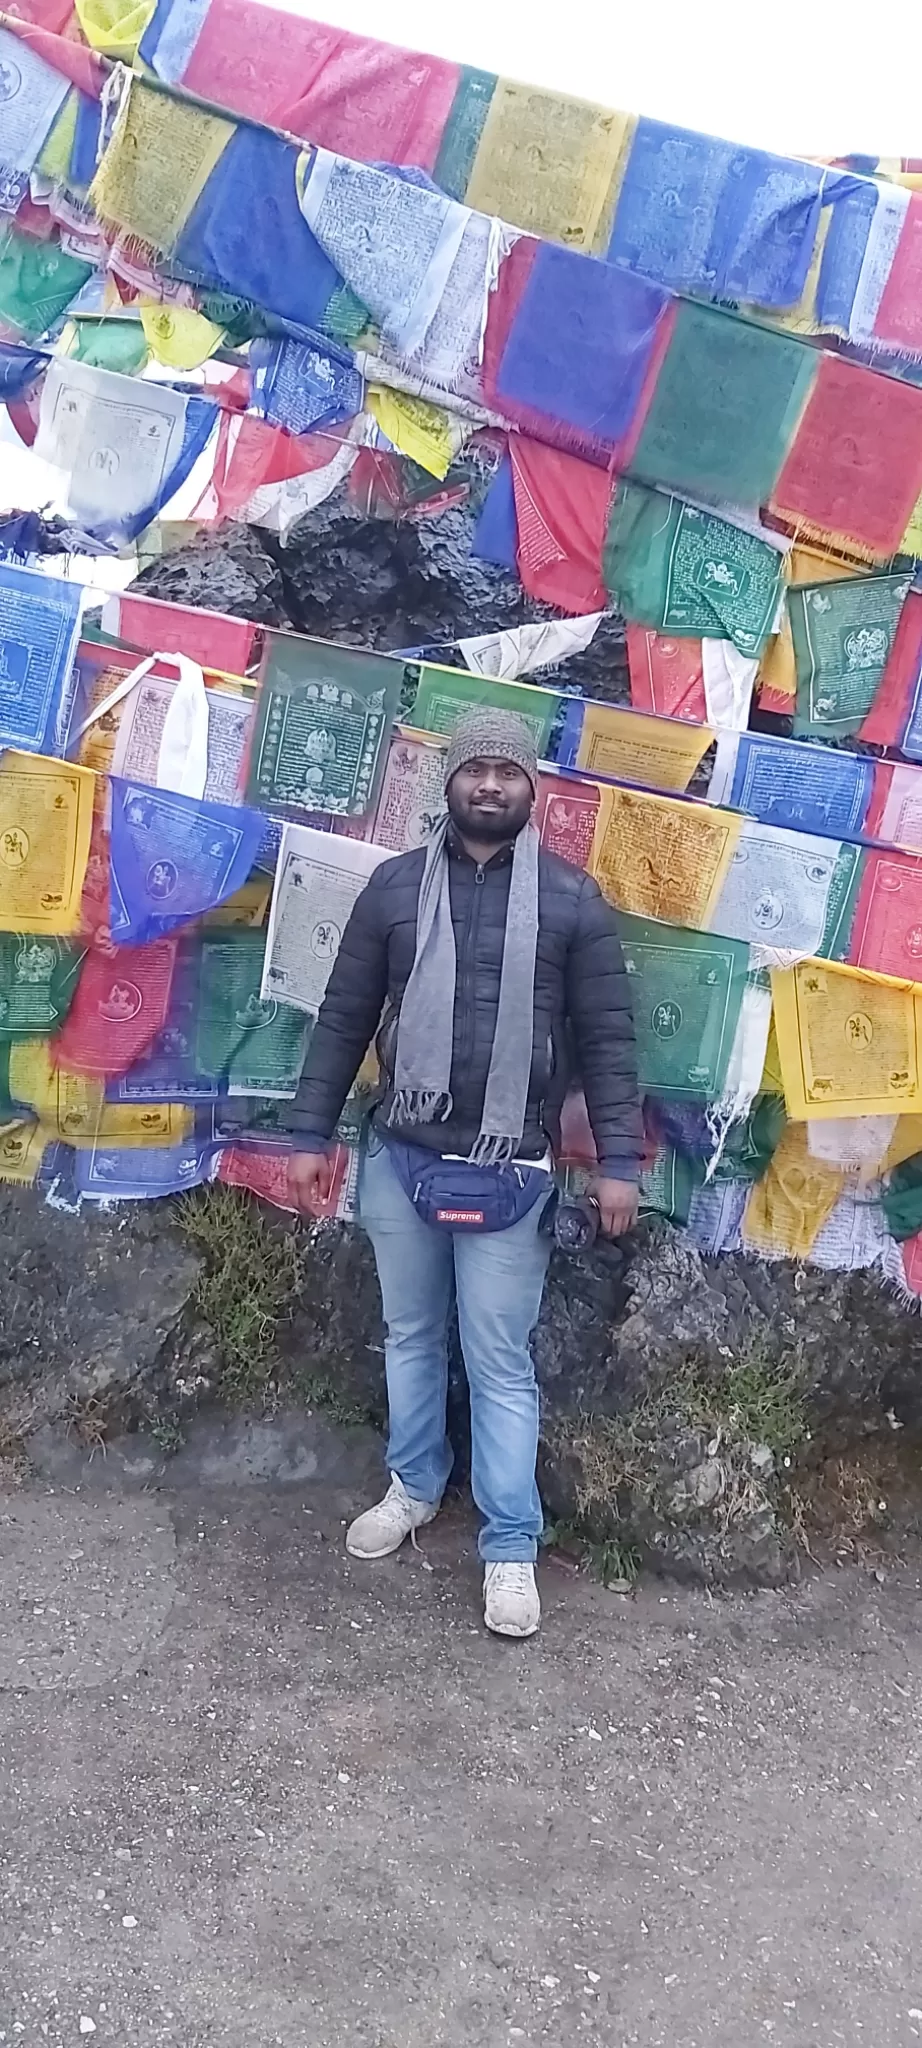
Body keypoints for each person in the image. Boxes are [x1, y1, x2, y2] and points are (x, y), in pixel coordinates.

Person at [286, 707, 642, 1639]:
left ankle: (511, 1545)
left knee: (499, 1361)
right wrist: (306, 1134)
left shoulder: (572, 899)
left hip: (513, 1167)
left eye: (508, 770)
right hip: (401, 1159)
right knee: (408, 1333)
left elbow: (608, 1042)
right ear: (449, 782)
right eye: (475, 767)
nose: (491, 783)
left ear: (534, 789)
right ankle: (412, 1487)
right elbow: (343, 1018)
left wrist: (620, 1164)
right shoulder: (394, 891)